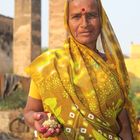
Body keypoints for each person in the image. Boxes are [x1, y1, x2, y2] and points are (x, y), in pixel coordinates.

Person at [24, 0, 138, 139]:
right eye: (76, 17)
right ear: (67, 22)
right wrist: (37, 118)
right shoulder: (48, 65)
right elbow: (30, 111)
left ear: (101, 19)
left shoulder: (113, 66)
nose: (85, 24)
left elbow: (123, 124)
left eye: (91, 15)